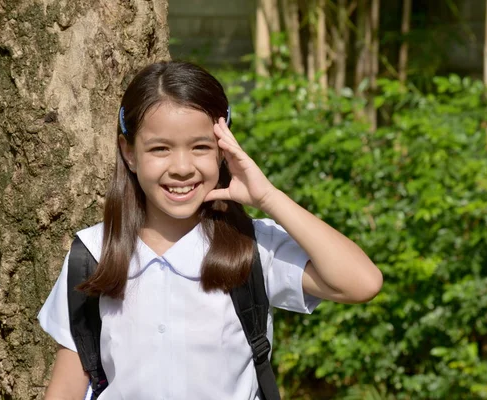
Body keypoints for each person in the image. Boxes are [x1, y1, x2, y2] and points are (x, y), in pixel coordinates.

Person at [38, 61, 383, 400]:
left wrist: (268, 197)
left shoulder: (252, 246)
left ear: (223, 149)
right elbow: (67, 388)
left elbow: (361, 283)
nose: (182, 168)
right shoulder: (94, 253)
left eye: (201, 147)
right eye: (160, 149)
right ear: (129, 154)